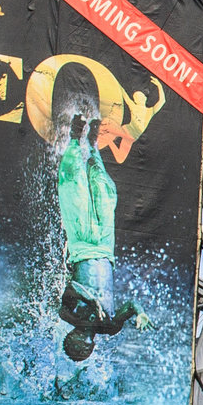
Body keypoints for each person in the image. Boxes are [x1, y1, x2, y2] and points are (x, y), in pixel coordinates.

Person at [55, 110, 139, 361]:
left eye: (75, 345)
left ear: (71, 338)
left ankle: (73, 137)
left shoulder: (69, 316)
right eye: (84, 349)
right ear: (90, 349)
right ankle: (92, 146)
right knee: (104, 190)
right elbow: (132, 305)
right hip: (104, 248)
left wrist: (90, 302)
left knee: (75, 188)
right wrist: (141, 314)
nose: (82, 344)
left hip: (81, 247)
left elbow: (70, 290)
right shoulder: (110, 326)